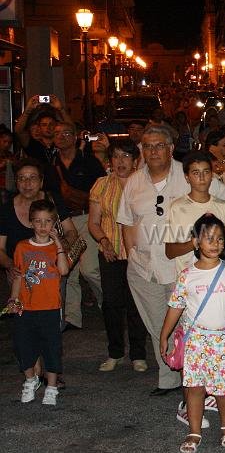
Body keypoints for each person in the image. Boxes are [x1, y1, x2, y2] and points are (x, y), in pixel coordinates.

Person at [117, 125, 225, 398]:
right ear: (142, 151)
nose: (153, 151)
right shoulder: (134, 181)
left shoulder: (190, 172)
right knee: (159, 324)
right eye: (147, 146)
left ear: (171, 148)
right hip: (144, 267)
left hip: (183, 268)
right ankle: (169, 376)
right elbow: (126, 221)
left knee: (189, 326)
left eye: (159, 145)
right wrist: (130, 252)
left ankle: (196, 380)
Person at [159, 214, 225, 453]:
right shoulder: (187, 275)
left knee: (223, 389)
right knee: (195, 389)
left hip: (223, 340)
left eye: (219, 238)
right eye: (208, 238)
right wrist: (164, 334)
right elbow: (176, 307)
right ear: (196, 242)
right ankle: (194, 431)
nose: (215, 243)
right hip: (196, 341)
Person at [88, 139, 148, 373]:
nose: (120, 161)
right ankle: (114, 352)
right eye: (115, 156)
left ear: (135, 161)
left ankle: (138, 354)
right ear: (109, 160)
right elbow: (93, 222)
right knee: (112, 304)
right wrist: (104, 241)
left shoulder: (144, 185)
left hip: (138, 254)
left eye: (126, 156)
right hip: (111, 253)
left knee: (136, 305)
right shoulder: (101, 185)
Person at [7, 199, 70, 405]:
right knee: (24, 346)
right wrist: (14, 298)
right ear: (31, 222)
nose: (43, 226)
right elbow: (18, 276)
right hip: (27, 307)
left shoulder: (56, 248)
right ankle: (30, 380)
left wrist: (58, 243)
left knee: (51, 347)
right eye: (38, 221)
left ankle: (51, 387)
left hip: (50, 308)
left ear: (54, 223)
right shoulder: (22, 247)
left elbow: (64, 270)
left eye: (47, 221)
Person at [52, 121, 107, 330]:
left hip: (86, 217)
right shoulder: (52, 163)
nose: (62, 136)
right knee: (69, 270)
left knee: (90, 268)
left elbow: (103, 188)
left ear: (75, 136)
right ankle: (72, 317)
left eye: (67, 133)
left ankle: (109, 304)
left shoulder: (89, 161)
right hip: (63, 221)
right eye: (58, 133)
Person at [0, 160, 77, 286]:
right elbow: (1, 248)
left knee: (54, 304)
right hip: (20, 273)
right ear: (16, 182)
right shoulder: (6, 209)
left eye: (32, 177)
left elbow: (71, 231)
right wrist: (9, 265)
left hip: (53, 269)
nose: (27, 183)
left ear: (41, 182)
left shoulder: (53, 200)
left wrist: (60, 248)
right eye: (22, 178)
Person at [164, 151, 225, 275]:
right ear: (187, 177)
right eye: (196, 173)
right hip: (188, 279)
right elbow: (169, 252)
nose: (202, 178)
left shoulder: (223, 207)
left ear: (211, 175)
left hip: (217, 276)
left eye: (206, 172)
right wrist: (195, 243)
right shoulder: (177, 207)